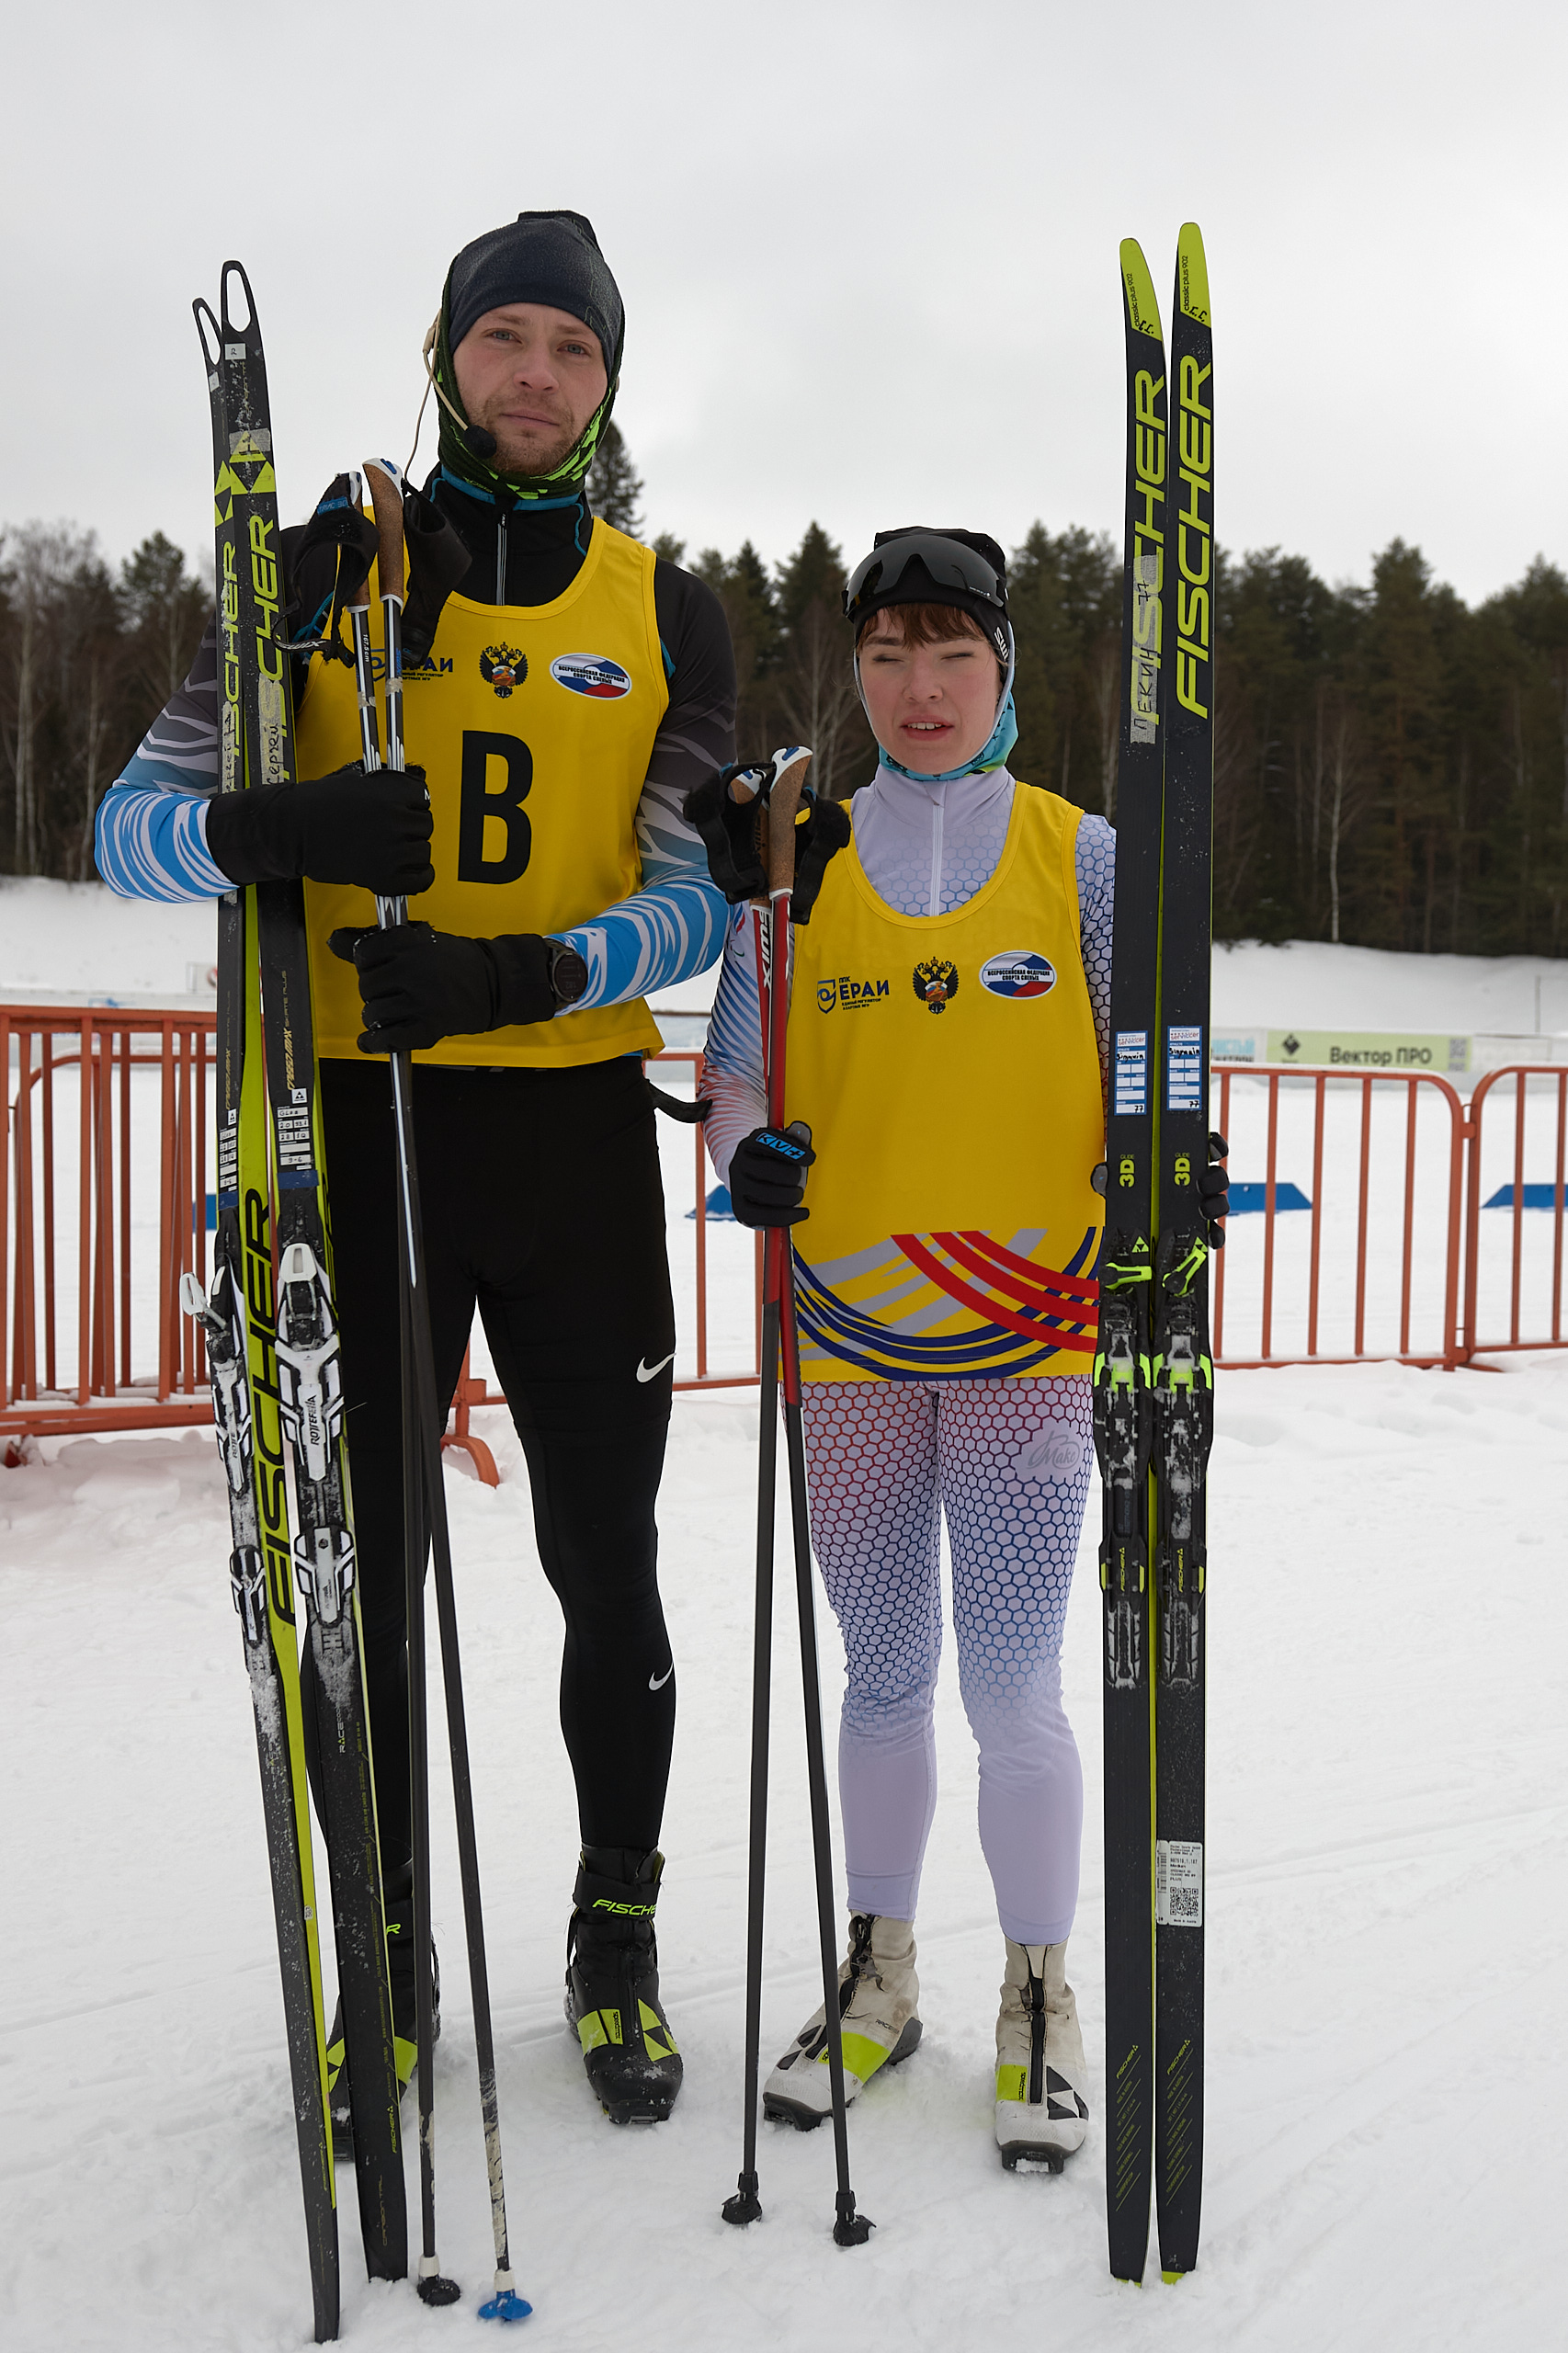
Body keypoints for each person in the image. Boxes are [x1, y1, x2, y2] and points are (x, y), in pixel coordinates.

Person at [96, 210, 734, 2130]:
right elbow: (130, 831)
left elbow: (695, 895)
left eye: (572, 349)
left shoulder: (665, 604)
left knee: (603, 1561)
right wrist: (264, 824)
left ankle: (613, 1935)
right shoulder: (305, 572)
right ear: (451, 357)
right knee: (360, 1575)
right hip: (350, 1133)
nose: (535, 375)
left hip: (560, 1123)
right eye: (503, 338)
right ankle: (384, 1960)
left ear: (607, 383)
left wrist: (533, 964)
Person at [697, 528, 1225, 2168]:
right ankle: (878, 1973)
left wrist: (1174, 1161)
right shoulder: (798, 866)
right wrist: (745, 1165)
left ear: (1003, 669)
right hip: (847, 1343)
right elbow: (731, 1087)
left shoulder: (1082, 859)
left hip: (1025, 1342)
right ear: (853, 674)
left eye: (949, 655)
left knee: (1009, 1683)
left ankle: (1039, 1990)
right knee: (881, 1676)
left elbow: (1155, 1066)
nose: (916, 691)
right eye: (885, 657)